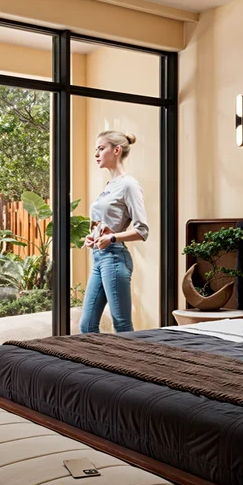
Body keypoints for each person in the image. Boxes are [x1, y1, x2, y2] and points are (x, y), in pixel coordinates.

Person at [80, 130, 149, 333]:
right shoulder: (110, 186)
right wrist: (93, 237)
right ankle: (94, 364)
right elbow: (104, 223)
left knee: (122, 323)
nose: (96, 154)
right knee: (87, 325)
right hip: (99, 259)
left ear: (116, 150)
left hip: (115, 259)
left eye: (101, 149)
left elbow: (142, 230)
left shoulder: (129, 185)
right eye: (96, 150)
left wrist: (111, 238)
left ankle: (131, 364)